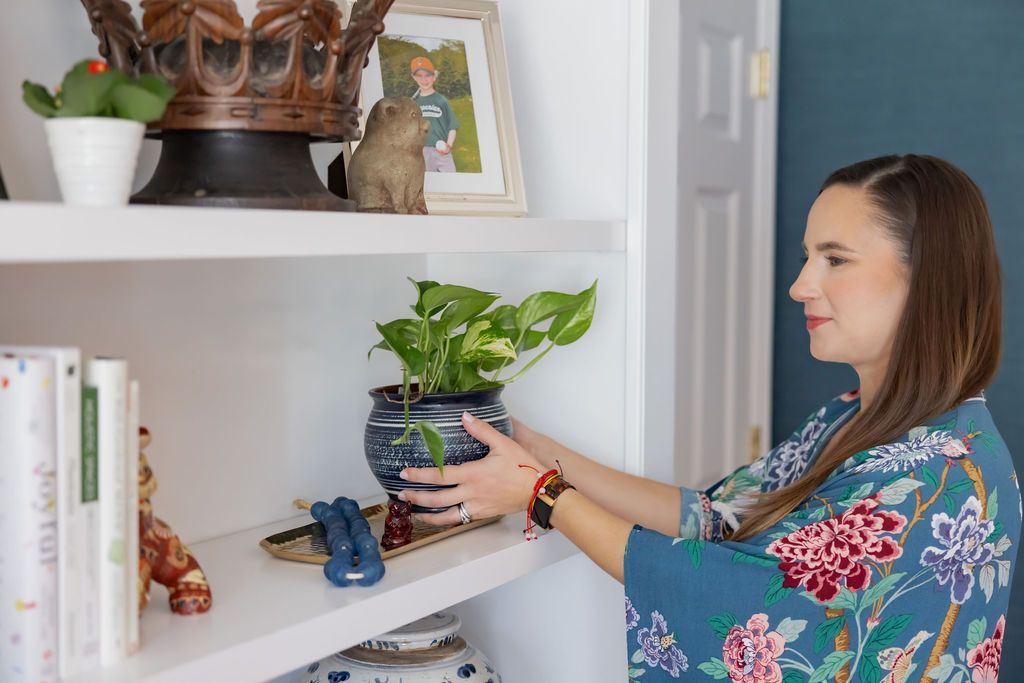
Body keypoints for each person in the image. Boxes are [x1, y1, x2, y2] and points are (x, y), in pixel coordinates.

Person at [398, 154, 1021, 681]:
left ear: (927, 280)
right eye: (808, 257)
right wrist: (542, 455)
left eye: (835, 259)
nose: (801, 285)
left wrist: (543, 495)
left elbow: (746, 598)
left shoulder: (950, 471)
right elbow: (718, 519)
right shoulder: (849, 418)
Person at [409, 55, 460, 173]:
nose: (424, 79)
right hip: (422, 152)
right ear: (414, 77)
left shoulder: (441, 101)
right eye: (419, 76)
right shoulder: (413, 104)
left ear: (434, 76)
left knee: (451, 183)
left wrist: (449, 145)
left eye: (428, 75)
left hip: (442, 151)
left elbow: (452, 126)